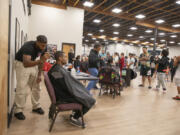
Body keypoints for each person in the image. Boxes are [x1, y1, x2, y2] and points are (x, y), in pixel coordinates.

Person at [48, 51, 95, 127]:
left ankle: (75, 113)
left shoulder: (57, 68)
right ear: (60, 58)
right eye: (65, 57)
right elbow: (62, 85)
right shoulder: (56, 70)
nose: (66, 59)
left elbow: (63, 83)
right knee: (90, 100)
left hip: (63, 93)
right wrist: (76, 91)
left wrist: (77, 88)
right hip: (63, 97)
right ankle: (74, 117)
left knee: (85, 93)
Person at [14, 35, 50, 120]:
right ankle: (18, 110)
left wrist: (39, 75)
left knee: (36, 86)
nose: (43, 47)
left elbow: (41, 62)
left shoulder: (44, 47)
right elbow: (26, 64)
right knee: (22, 87)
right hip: (21, 64)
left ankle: (36, 106)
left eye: (45, 45)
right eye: (42, 45)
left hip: (33, 63)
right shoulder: (28, 47)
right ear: (37, 42)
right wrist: (40, 60)